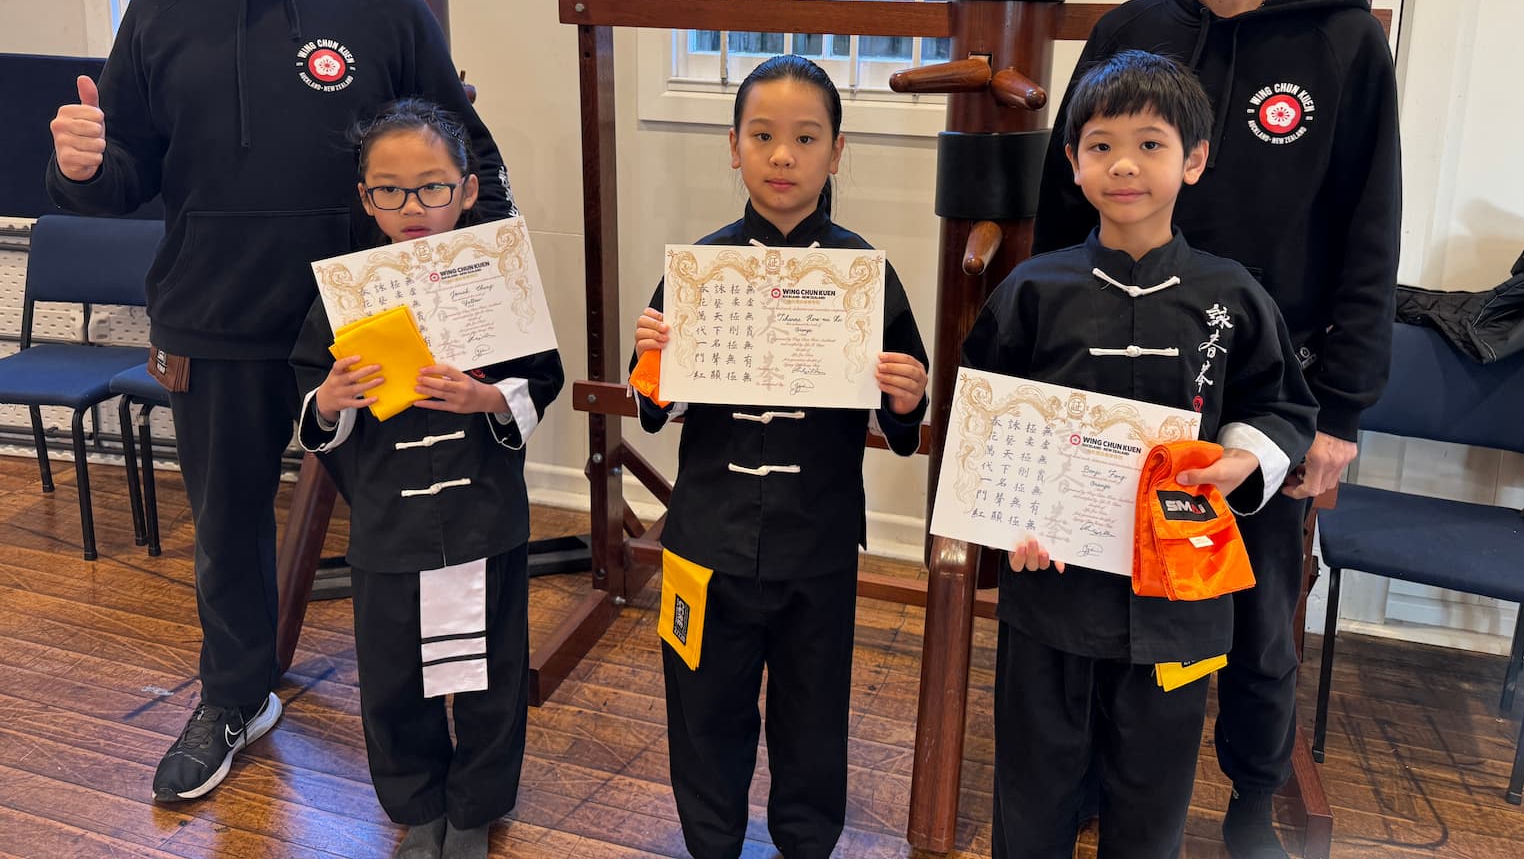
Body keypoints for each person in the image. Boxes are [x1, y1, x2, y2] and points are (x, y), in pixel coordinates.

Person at [45, 0, 514, 803]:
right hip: (216, 315)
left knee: (410, 516)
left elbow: (464, 160)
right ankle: (235, 697)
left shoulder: (383, 10)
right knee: (226, 529)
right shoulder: (158, 14)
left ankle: (445, 726)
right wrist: (83, 166)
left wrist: (480, 304)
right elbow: (127, 170)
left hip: (371, 322)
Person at [1031, 0, 1402, 858]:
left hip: (1265, 393)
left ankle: (1247, 799)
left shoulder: (1340, 45)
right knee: (1114, 592)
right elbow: (1063, 211)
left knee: (1252, 616)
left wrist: (1339, 411)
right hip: (1120, 375)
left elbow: (1371, 229)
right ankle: (1107, 781)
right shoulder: (1126, 35)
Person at [968, 50, 1318, 858]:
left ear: (1194, 160)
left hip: (1179, 602)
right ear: (1073, 162)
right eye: (1101, 145)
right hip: (1049, 587)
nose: (1124, 164)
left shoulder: (1231, 294)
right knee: (1033, 787)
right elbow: (983, 420)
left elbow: (1282, 404)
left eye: (1152, 144)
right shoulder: (1032, 290)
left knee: (1152, 799)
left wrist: (1239, 459)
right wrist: (1003, 520)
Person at [631, 55, 930, 859]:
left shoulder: (868, 276)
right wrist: (651, 358)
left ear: (838, 151)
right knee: (702, 707)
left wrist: (907, 394)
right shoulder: (697, 270)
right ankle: (712, 841)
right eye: (762, 136)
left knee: (813, 709)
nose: (783, 156)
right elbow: (654, 411)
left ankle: (806, 842)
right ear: (734, 147)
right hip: (705, 539)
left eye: (806, 137)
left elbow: (906, 415)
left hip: (818, 543)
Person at [291, 100, 562, 859]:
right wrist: (331, 399)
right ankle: (417, 805)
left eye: (432, 187)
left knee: (490, 668)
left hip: (483, 513)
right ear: (365, 196)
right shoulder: (343, 295)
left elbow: (543, 379)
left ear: (469, 190)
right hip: (389, 520)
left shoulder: (497, 283)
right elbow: (309, 401)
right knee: (393, 675)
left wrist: (486, 398)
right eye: (390, 190)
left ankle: (476, 806)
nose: (413, 207)